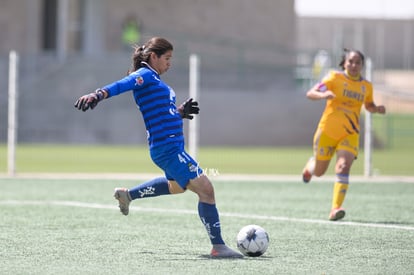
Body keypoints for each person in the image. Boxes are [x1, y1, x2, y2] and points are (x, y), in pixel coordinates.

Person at [74, 37, 242, 258]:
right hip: (169, 149)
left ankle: (128, 195)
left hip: (165, 148)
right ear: (154, 56)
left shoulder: (153, 78)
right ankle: (218, 247)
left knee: (177, 187)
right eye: (167, 58)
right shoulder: (144, 75)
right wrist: (98, 94)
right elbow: (121, 85)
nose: (169, 63)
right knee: (207, 190)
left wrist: (179, 112)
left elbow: (161, 113)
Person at [301, 49, 386, 221]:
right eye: (351, 62)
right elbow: (311, 93)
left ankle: (335, 208)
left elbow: (368, 104)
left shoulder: (366, 86)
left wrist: (376, 109)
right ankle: (311, 166)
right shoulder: (334, 78)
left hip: (350, 134)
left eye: (358, 62)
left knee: (343, 166)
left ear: (362, 65)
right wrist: (324, 94)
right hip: (327, 132)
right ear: (344, 63)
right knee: (319, 172)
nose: (354, 65)